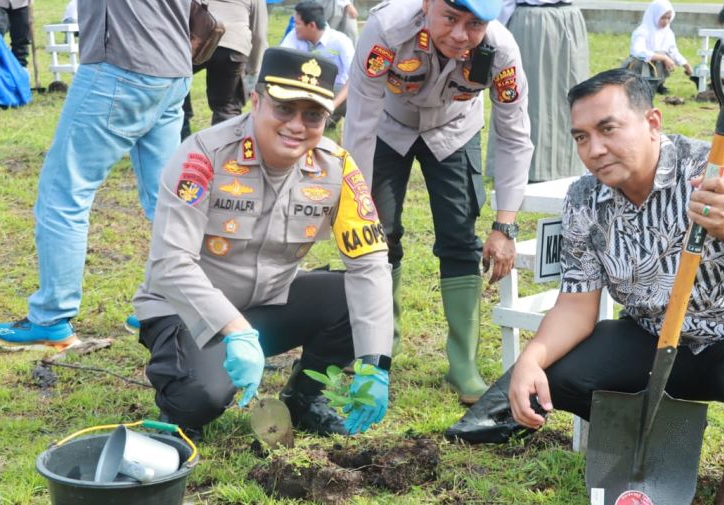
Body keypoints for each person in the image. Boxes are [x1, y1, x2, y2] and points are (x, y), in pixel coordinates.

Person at [448, 69, 724, 505]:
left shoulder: (719, 172)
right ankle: (664, 437)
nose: (594, 150)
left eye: (607, 129)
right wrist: (530, 359)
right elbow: (577, 305)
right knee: (556, 374)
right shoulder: (586, 199)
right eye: (581, 137)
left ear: (653, 122)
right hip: (654, 338)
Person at [132, 47, 393, 437]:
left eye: (313, 115)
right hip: (186, 310)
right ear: (256, 101)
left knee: (347, 298)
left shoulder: (336, 167)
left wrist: (375, 363)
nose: (297, 125)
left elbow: (370, 263)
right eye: (284, 109)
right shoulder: (204, 155)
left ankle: (304, 397)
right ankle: (179, 404)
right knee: (200, 398)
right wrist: (235, 330)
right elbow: (172, 263)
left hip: (267, 303)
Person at [343, 0, 533, 405]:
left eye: (474, 24)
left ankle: (462, 364)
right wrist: (357, 199)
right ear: (428, 5)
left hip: (455, 129)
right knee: (378, 235)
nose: (460, 35)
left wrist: (505, 225)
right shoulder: (386, 30)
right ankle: (378, 352)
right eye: (450, 18)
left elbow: (515, 136)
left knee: (460, 237)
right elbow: (359, 119)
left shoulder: (500, 50)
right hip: (387, 126)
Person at [0, 0, 192, 349]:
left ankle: (51, 318)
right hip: (173, 66)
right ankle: (169, 303)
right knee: (167, 201)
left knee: (63, 194)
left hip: (120, 65)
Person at [487, 0, 588, 182]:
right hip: (532, 20)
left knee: (571, 92)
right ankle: (523, 166)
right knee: (529, 94)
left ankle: (569, 164)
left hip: (569, 17)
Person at [181, 0, 267, 140]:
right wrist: (253, 70)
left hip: (197, 38)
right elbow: (259, 36)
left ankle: (180, 143)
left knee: (176, 89)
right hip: (233, 43)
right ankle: (225, 153)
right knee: (226, 106)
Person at [280, 0, 354, 129]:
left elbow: (354, 77)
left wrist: (333, 105)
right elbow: (280, 62)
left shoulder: (340, 41)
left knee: (357, 97)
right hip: (305, 88)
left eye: (297, 23)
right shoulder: (294, 36)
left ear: (312, 26)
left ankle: (333, 116)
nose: (294, 27)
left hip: (335, 91)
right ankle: (322, 119)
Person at [624, 0, 693, 95]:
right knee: (645, 60)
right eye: (663, 18)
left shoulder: (668, 33)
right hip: (640, 65)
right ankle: (639, 84)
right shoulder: (642, 31)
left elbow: (673, 52)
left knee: (663, 56)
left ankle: (658, 84)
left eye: (669, 18)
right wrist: (663, 58)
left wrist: (686, 65)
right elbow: (638, 52)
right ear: (654, 15)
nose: (666, 21)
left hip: (657, 65)